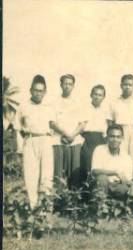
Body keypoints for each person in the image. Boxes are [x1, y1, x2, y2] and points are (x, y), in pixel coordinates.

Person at [18, 75, 54, 210]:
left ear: (45, 92)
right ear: (30, 90)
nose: (38, 93)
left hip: (45, 140)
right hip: (30, 140)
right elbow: (18, 129)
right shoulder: (23, 107)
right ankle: (33, 207)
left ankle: (45, 208)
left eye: (41, 90)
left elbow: (53, 126)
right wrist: (20, 147)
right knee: (30, 175)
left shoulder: (49, 107)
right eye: (35, 90)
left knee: (47, 174)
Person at [50, 74, 87, 189]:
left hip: (74, 141)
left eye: (70, 84)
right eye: (65, 83)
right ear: (61, 84)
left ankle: (73, 203)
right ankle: (59, 202)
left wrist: (72, 135)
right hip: (58, 140)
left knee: (75, 174)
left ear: (73, 86)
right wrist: (65, 134)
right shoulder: (54, 102)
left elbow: (82, 123)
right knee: (59, 173)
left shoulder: (78, 102)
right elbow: (52, 122)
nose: (67, 86)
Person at [91, 124, 133, 210]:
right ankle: (100, 210)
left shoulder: (126, 156)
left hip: (118, 185)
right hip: (102, 185)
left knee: (132, 192)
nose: (115, 140)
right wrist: (115, 172)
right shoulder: (99, 149)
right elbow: (94, 171)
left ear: (122, 139)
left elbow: (128, 179)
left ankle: (122, 210)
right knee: (102, 178)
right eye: (112, 136)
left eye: (118, 137)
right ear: (107, 137)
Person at [80, 84, 110, 183]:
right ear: (91, 95)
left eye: (100, 95)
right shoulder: (84, 108)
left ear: (103, 97)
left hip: (101, 139)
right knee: (87, 164)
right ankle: (85, 193)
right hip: (87, 138)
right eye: (95, 94)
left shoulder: (106, 110)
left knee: (99, 164)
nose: (97, 97)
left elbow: (107, 127)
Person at [109, 74, 133, 161]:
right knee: (119, 158)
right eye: (125, 84)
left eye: (130, 85)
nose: (127, 87)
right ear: (121, 86)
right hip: (118, 133)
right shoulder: (114, 102)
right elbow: (110, 122)